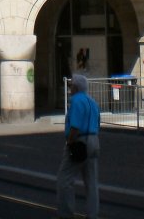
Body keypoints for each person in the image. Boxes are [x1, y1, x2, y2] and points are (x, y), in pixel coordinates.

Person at [56, 73, 100, 219]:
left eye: (71, 86)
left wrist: (69, 142)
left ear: (75, 87)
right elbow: (98, 123)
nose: (70, 89)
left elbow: (75, 126)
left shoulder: (76, 101)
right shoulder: (93, 101)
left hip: (79, 141)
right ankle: (92, 215)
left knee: (65, 180)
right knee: (91, 182)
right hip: (94, 140)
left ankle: (65, 214)